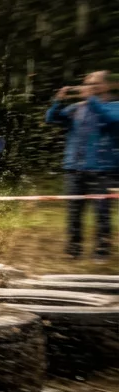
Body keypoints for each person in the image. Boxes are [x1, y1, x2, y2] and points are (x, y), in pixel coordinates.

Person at [46, 71, 118, 258]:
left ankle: (102, 250)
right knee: (74, 211)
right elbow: (52, 118)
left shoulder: (114, 106)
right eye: (87, 84)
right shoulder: (77, 108)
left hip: (102, 170)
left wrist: (91, 99)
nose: (88, 87)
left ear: (106, 86)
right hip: (74, 169)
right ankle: (74, 249)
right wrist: (58, 102)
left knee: (102, 212)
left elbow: (112, 119)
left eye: (94, 84)